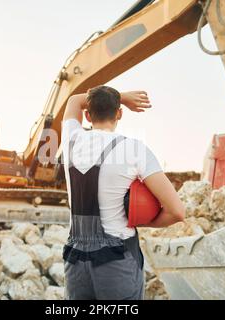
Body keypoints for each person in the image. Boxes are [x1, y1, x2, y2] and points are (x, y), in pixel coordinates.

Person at [61, 85, 185, 300]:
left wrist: (123, 97)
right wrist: (140, 221)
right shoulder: (134, 149)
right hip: (116, 261)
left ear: (88, 115)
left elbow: (73, 100)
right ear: (119, 113)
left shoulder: (70, 140)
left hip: (75, 261)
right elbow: (177, 211)